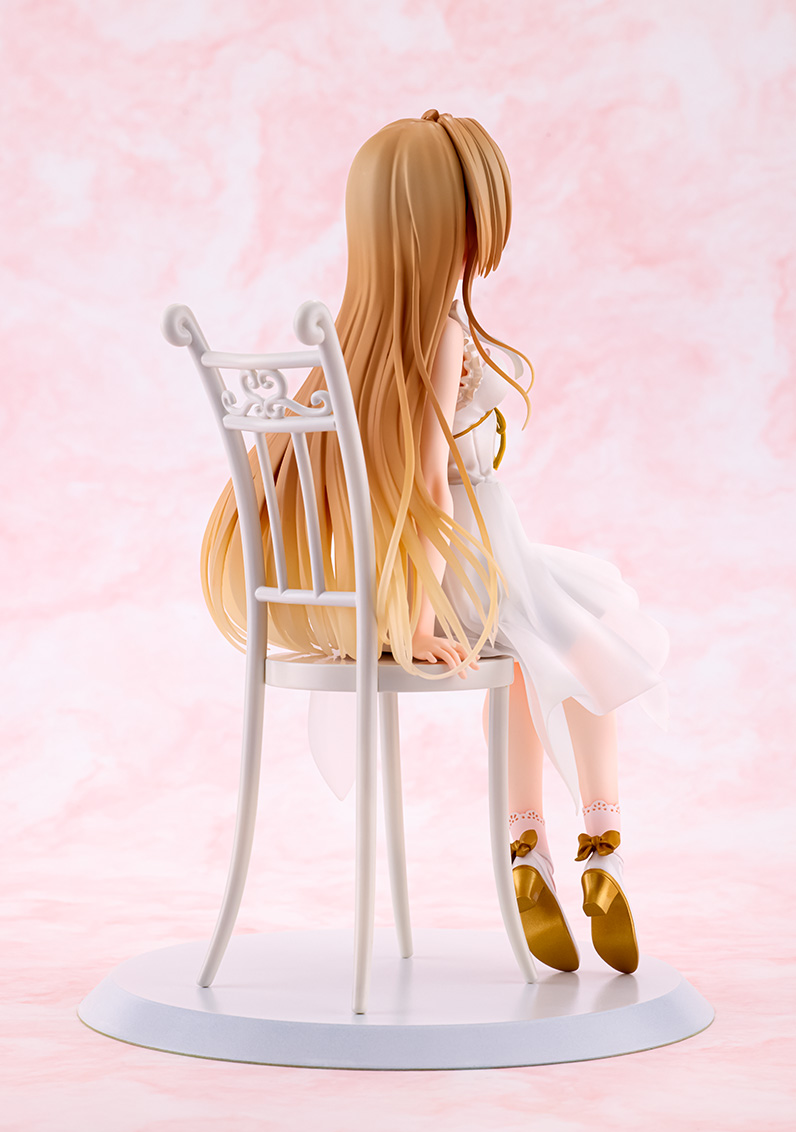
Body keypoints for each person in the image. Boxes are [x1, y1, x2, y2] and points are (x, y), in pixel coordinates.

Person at [201, 110, 668, 975]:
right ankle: (600, 844)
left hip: (398, 575)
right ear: (450, 226)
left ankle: (528, 854)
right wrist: (412, 618)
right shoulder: (441, 328)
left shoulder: (348, 337)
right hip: (458, 564)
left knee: (529, 659)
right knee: (591, 634)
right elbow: (424, 481)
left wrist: (370, 590)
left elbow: (288, 475)